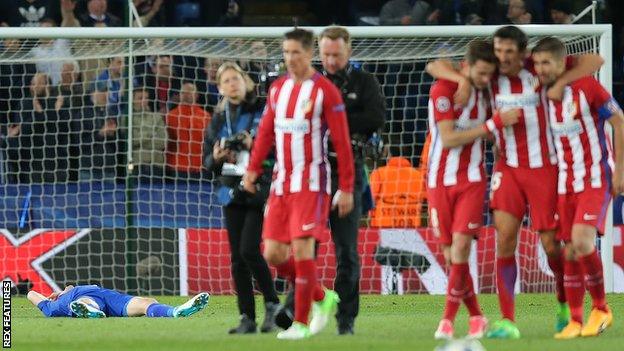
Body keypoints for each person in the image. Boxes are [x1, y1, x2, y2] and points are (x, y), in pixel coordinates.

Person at [426, 25, 604, 339]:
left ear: (523, 53)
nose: (503, 57)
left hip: (545, 169)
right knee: (504, 240)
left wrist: (561, 81)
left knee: (551, 245)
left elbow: (595, 60)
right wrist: (461, 80)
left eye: (509, 52)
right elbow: (435, 65)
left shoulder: (539, 69)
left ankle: (564, 304)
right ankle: (508, 320)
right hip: (507, 169)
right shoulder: (489, 78)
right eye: (499, 50)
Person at [242, 28, 355, 340]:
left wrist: (346, 187)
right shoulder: (277, 89)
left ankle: (301, 324)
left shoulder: (325, 92)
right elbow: (265, 132)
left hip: (311, 183)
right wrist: (252, 171)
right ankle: (321, 295)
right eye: (286, 52)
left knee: (304, 251)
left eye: (297, 53)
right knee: (274, 254)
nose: (290, 59)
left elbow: (343, 144)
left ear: (310, 54)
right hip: (281, 184)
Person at [428, 40, 520, 340]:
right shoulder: (444, 90)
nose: (485, 80)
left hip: (471, 179)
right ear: (466, 66)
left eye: (488, 75)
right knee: (450, 256)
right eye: (480, 74)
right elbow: (450, 139)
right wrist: (492, 125)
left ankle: (446, 321)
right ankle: (477, 316)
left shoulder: (487, 94)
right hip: (438, 181)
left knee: (461, 249)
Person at [532, 37, 620, 339]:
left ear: (561, 62)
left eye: (547, 63)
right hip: (565, 182)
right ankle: (575, 320)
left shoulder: (587, 87)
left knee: (582, 242)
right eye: (537, 63)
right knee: (569, 250)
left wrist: (621, 170)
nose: (541, 69)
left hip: (596, 177)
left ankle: (602, 309)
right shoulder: (540, 93)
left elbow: (620, 121)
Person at [203, 61, 280, 334]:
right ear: (220, 88)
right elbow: (207, 162)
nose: (232, 84)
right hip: (229, 188)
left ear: (245, 81)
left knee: (249, 249)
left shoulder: (262, 109)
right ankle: (247, 316)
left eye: (236, 79)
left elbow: (277, 149)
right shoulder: (217, 119)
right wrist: (217, 156)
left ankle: (272, 304)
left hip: (258, 187)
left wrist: (253, 143)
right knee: (237, 258)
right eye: (226, 81)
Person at [318, 25, 385, 335]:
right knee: (303, 247)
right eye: (326, 54)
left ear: (349, 52)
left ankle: (346, 320)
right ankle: (296, 309)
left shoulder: (364, 81)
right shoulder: (312, 83)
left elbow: (376, 118)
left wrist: (334, 120)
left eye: (337, 54)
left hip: (350, 172)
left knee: (346, 250)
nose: (331, 61)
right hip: (314, 173)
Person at [28, 284, 209, 318]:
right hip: (84, 298)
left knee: (146, 302)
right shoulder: (51, 308)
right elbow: (31, 294)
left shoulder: (61, 296)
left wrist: (59, 291)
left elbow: (69, 285)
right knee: (85, 301)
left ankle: (175, 311)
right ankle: (86, 309)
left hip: (104, 295)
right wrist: (49, 298)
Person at [369, 144, 425, 228]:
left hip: (382, 227)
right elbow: (426, 200)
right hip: (412, 226)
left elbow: (370, 200)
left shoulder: (379, 173)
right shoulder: (419, 175)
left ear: (389, 155)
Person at [165, 82, 211, 181]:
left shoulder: (205, 116)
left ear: (196, 95)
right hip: (177, 167)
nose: (185, 96)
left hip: (200, 167)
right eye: (183, 93)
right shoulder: (170, 116)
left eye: (189, 93)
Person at [131, 88, 167, 182]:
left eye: (146, 98)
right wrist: (151, 134)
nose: (144, 101)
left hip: (157, 165)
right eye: (140, 98)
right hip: (136, 165)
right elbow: (131, 140)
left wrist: (141, 136)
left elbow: (163, 141)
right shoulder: (127, 118)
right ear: (133, 100)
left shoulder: (156, 117)